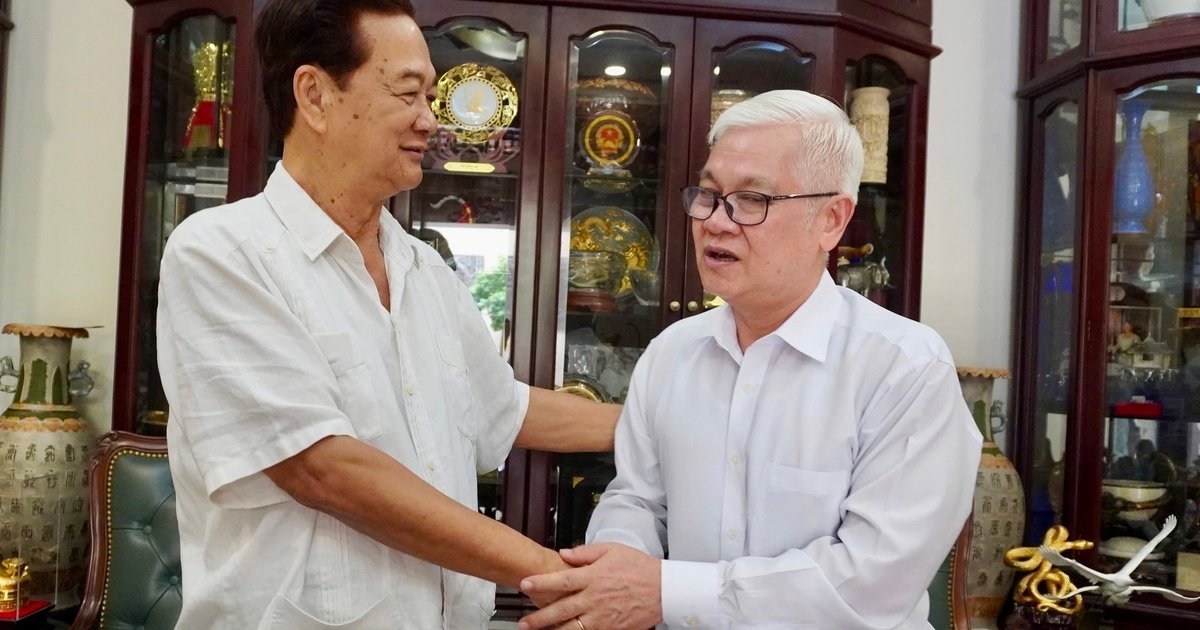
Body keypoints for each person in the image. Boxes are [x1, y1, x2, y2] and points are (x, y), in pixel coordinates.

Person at [156, 1, 618, 627]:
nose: (429, 120)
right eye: (408, 93)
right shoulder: (223, 254)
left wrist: (665, 421)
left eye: (430, 96)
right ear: (315, 96)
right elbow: (325, 468)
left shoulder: (425, 270)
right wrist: (553, 574)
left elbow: (503, 408)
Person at [518, 90, 982, 629]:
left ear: (831, 219)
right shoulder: (672, 353)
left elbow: (872, 582)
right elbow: (637, 499)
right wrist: (617, 569)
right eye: (709, 195)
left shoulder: (905, 368)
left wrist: (665, 592)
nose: (716, 222)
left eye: (751, 200)